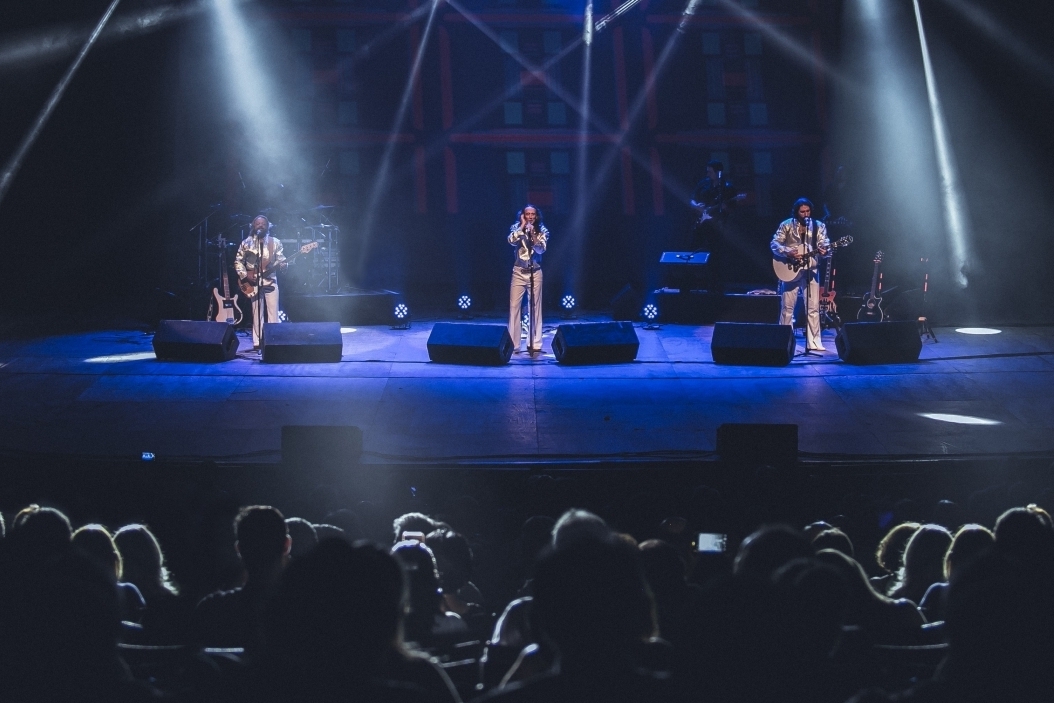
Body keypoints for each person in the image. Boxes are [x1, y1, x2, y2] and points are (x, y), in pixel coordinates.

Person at [771, 198, 830, 352]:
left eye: (808, 211)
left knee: (813, 307)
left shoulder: (819, 226)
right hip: (790, 269)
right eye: (802, 212)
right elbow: (774, 243)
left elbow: (825, 244)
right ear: (796, 212)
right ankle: (784, 341)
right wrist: (788, 252)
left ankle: (814, 342)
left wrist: (825, 251)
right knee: (787, 307)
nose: (805, 214)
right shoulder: (786, 225)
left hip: (811, 269)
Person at [234, 215, 286, 350]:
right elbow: (238, 261)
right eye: (258, 223)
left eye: (263, 223)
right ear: (253, 226)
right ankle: (258, 342)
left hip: (270, 281)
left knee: (273, 312)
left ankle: (274, 340)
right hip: (253, 283)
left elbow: (281, 259)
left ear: (268, 226)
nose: (261, 225)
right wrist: (245, 275)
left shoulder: (275, 242)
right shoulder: (246, 243)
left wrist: (283, 265)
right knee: (257, 313)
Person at [507, 205, 548, 355]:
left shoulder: (542, 230)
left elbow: (541, 249)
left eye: (532, 214)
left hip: (535, 272)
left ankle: (535, 343)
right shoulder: (516, 227)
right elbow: (511, 240)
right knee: (514, 306)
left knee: (535, 307)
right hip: (518, 271)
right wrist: (523, 227)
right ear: (523, 215)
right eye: (527, 214)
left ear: (536, 216)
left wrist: (533, 235)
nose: (530, 216)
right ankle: (513, 344)